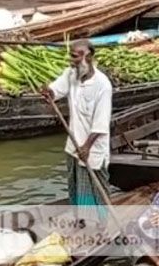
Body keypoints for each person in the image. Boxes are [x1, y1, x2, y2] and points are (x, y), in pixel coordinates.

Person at [42, 40, 113, 207]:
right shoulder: (71, 74)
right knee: (75, 187)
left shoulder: (102, 85)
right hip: (73, 145)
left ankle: (101, 224)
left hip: (92, 148)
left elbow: (100, 123)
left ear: (88, 57)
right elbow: (56, 91)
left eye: (74, 57)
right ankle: (81, 219)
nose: (71, 61)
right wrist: (49, 93)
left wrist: (86, 147)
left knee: (96, 189)